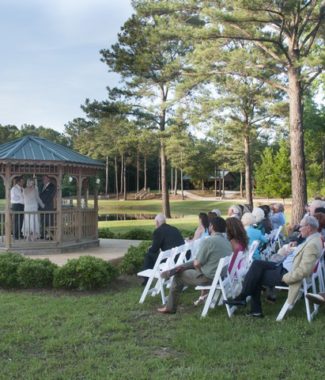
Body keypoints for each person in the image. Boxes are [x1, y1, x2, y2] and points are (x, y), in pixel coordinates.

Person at [225, 215, 323, 318]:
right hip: (282, 266)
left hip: (286, 273)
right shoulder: (314, 239)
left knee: (255, 276)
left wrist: (286, 278)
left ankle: (250, 305)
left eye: (301, 226)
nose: (299, 229)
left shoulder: (313, 244)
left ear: (309, 228)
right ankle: (243, 298)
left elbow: (304, 271)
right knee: (256, 264)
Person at [157, 216, 232, 314]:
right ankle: (174, 270)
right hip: (220, 275)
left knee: (178, 276)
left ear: (212, 227)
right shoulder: (226, 241)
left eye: (209, 225)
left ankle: (170, 307)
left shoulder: (209, 241)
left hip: (208, 277)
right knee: (190, 263)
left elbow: (197, 263)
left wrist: (197, 269)